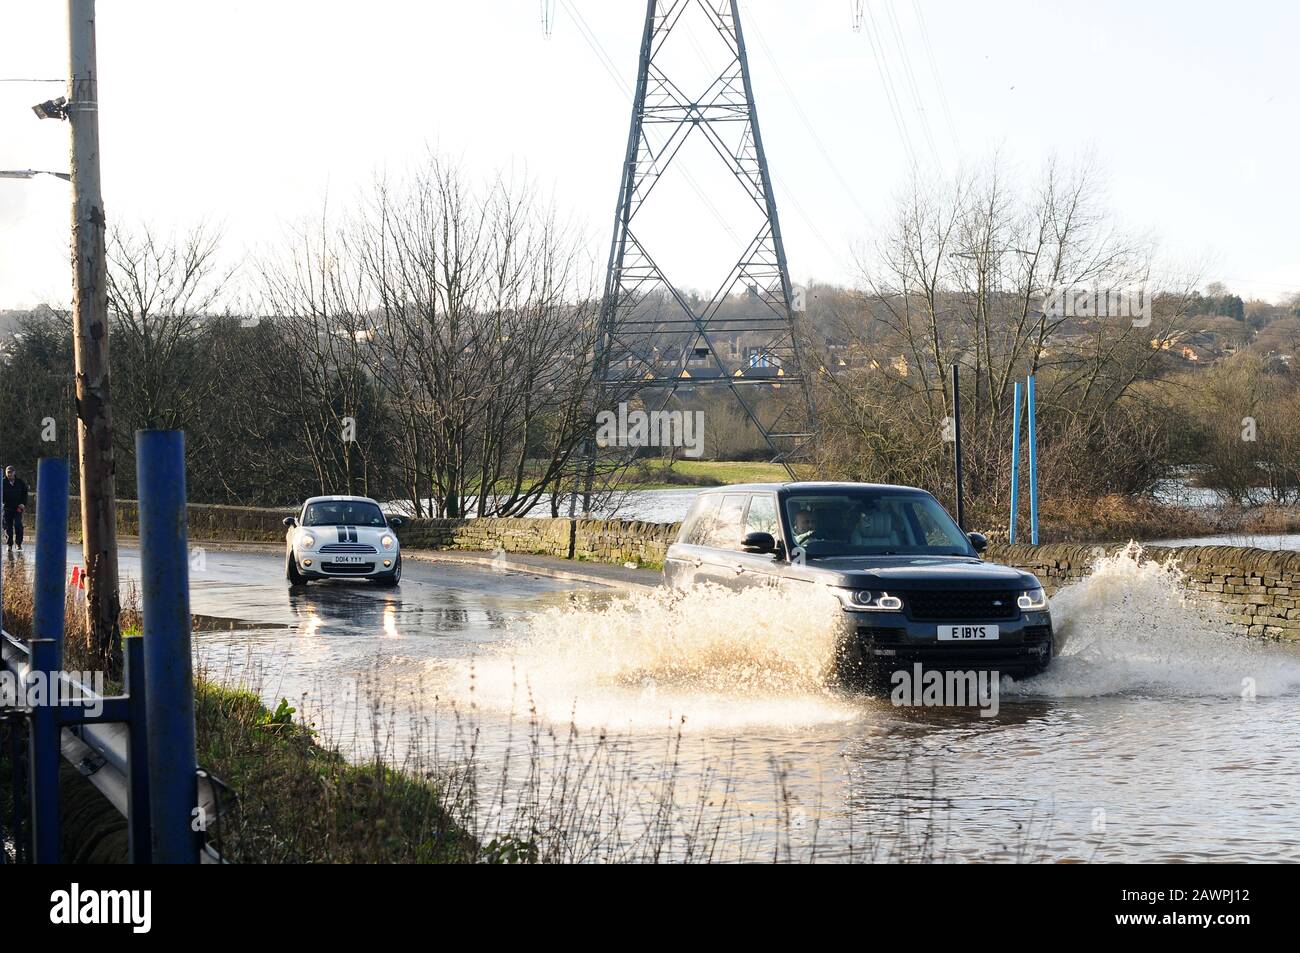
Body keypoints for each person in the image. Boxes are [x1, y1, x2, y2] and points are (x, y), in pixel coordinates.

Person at [3, 465, 29, 551]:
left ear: (14, 472)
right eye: (8, 472)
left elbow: (25, 494)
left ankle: (18, 544)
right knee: (8, 527)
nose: (9, 474)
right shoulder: (2, 482)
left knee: (18, 525)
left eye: (11, 472)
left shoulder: (20, 482)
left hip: (18, 508)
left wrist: (23, 504)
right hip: (7, 508)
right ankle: (9, 545)